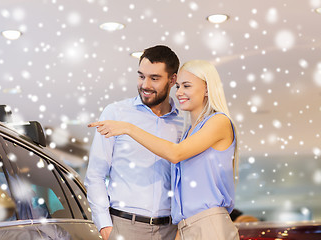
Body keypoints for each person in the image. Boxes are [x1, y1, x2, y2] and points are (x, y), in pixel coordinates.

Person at [89, 60, 240, 240]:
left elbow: (175, 154)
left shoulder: (219, 122)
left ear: (207, 89)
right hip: (185, 226)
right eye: (178, 86)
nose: (180, 92)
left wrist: (129, 128)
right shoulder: (188, 133)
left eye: (187, 86)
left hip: (209, 225)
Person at [84, 45, 184, 240]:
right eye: (141, 76)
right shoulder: (116, 114)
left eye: (154, 78)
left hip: (170, 230)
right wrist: (105, 227)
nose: (145, 85)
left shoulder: (183, 122)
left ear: (172, 80)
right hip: (123, 227)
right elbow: (95, 175)